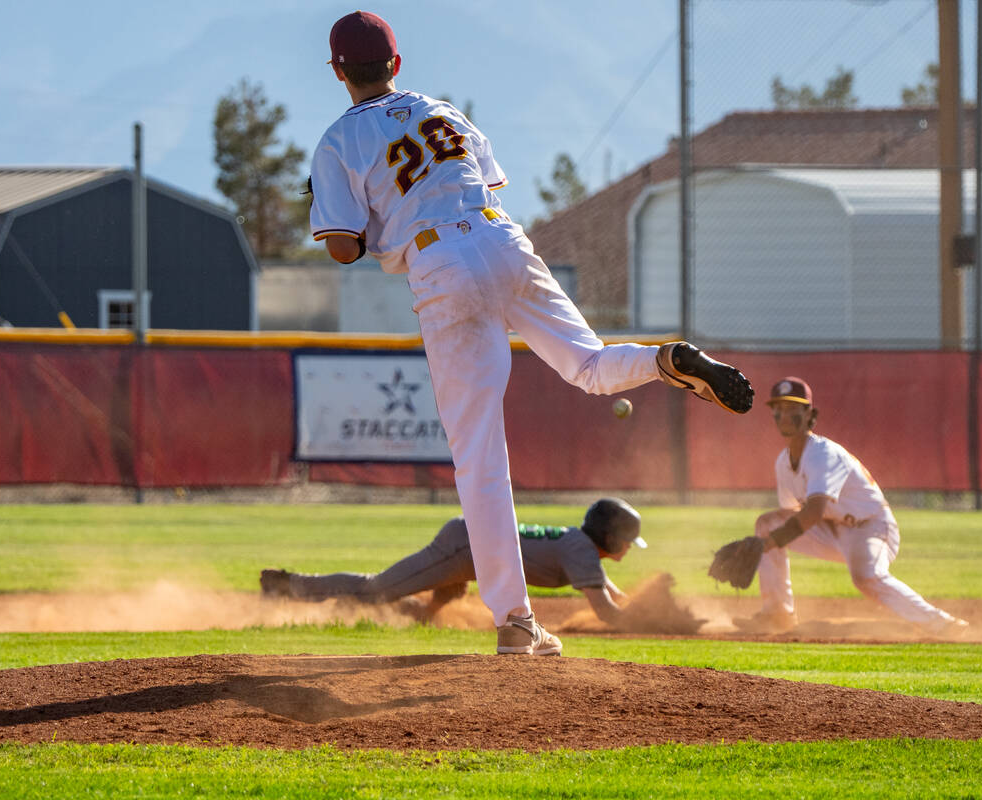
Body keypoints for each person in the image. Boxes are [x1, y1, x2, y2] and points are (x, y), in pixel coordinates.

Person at [310, 11, 753, 657]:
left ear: (338, 70)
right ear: (397, 64)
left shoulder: (337, 140)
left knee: (481, 460)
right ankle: (665, 360)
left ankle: (516, 622)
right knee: (591, 366)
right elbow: (476, 184)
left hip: (442, 265)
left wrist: (350, 213)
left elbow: (344, 250)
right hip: (504, 239)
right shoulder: (444, 112)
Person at [734, 377, 970, 637]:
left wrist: (767, 544)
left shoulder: (823, 454)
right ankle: (776, 614)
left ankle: (941, 624)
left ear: (810, 414)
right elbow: (792, 516)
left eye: (793, 408)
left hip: (871, 527)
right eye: (779, 408)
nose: (785, 414)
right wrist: (766, 542)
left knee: (866, 577)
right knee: (767, 525)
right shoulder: (783, 462)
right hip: (830, 529)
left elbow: (811, 513)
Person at [260, 498, 648, 636]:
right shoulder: (581, 551)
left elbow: (606, 588)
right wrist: (649, 621)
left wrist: (634, 601)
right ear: (610, 538)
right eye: (628, 540)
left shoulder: (580, 545)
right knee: (377, 589)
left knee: (440, 597)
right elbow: (604, 610)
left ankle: (416, 615)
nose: (629, 548)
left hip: (472, 548)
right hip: (465, 545)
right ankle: (288, 585)